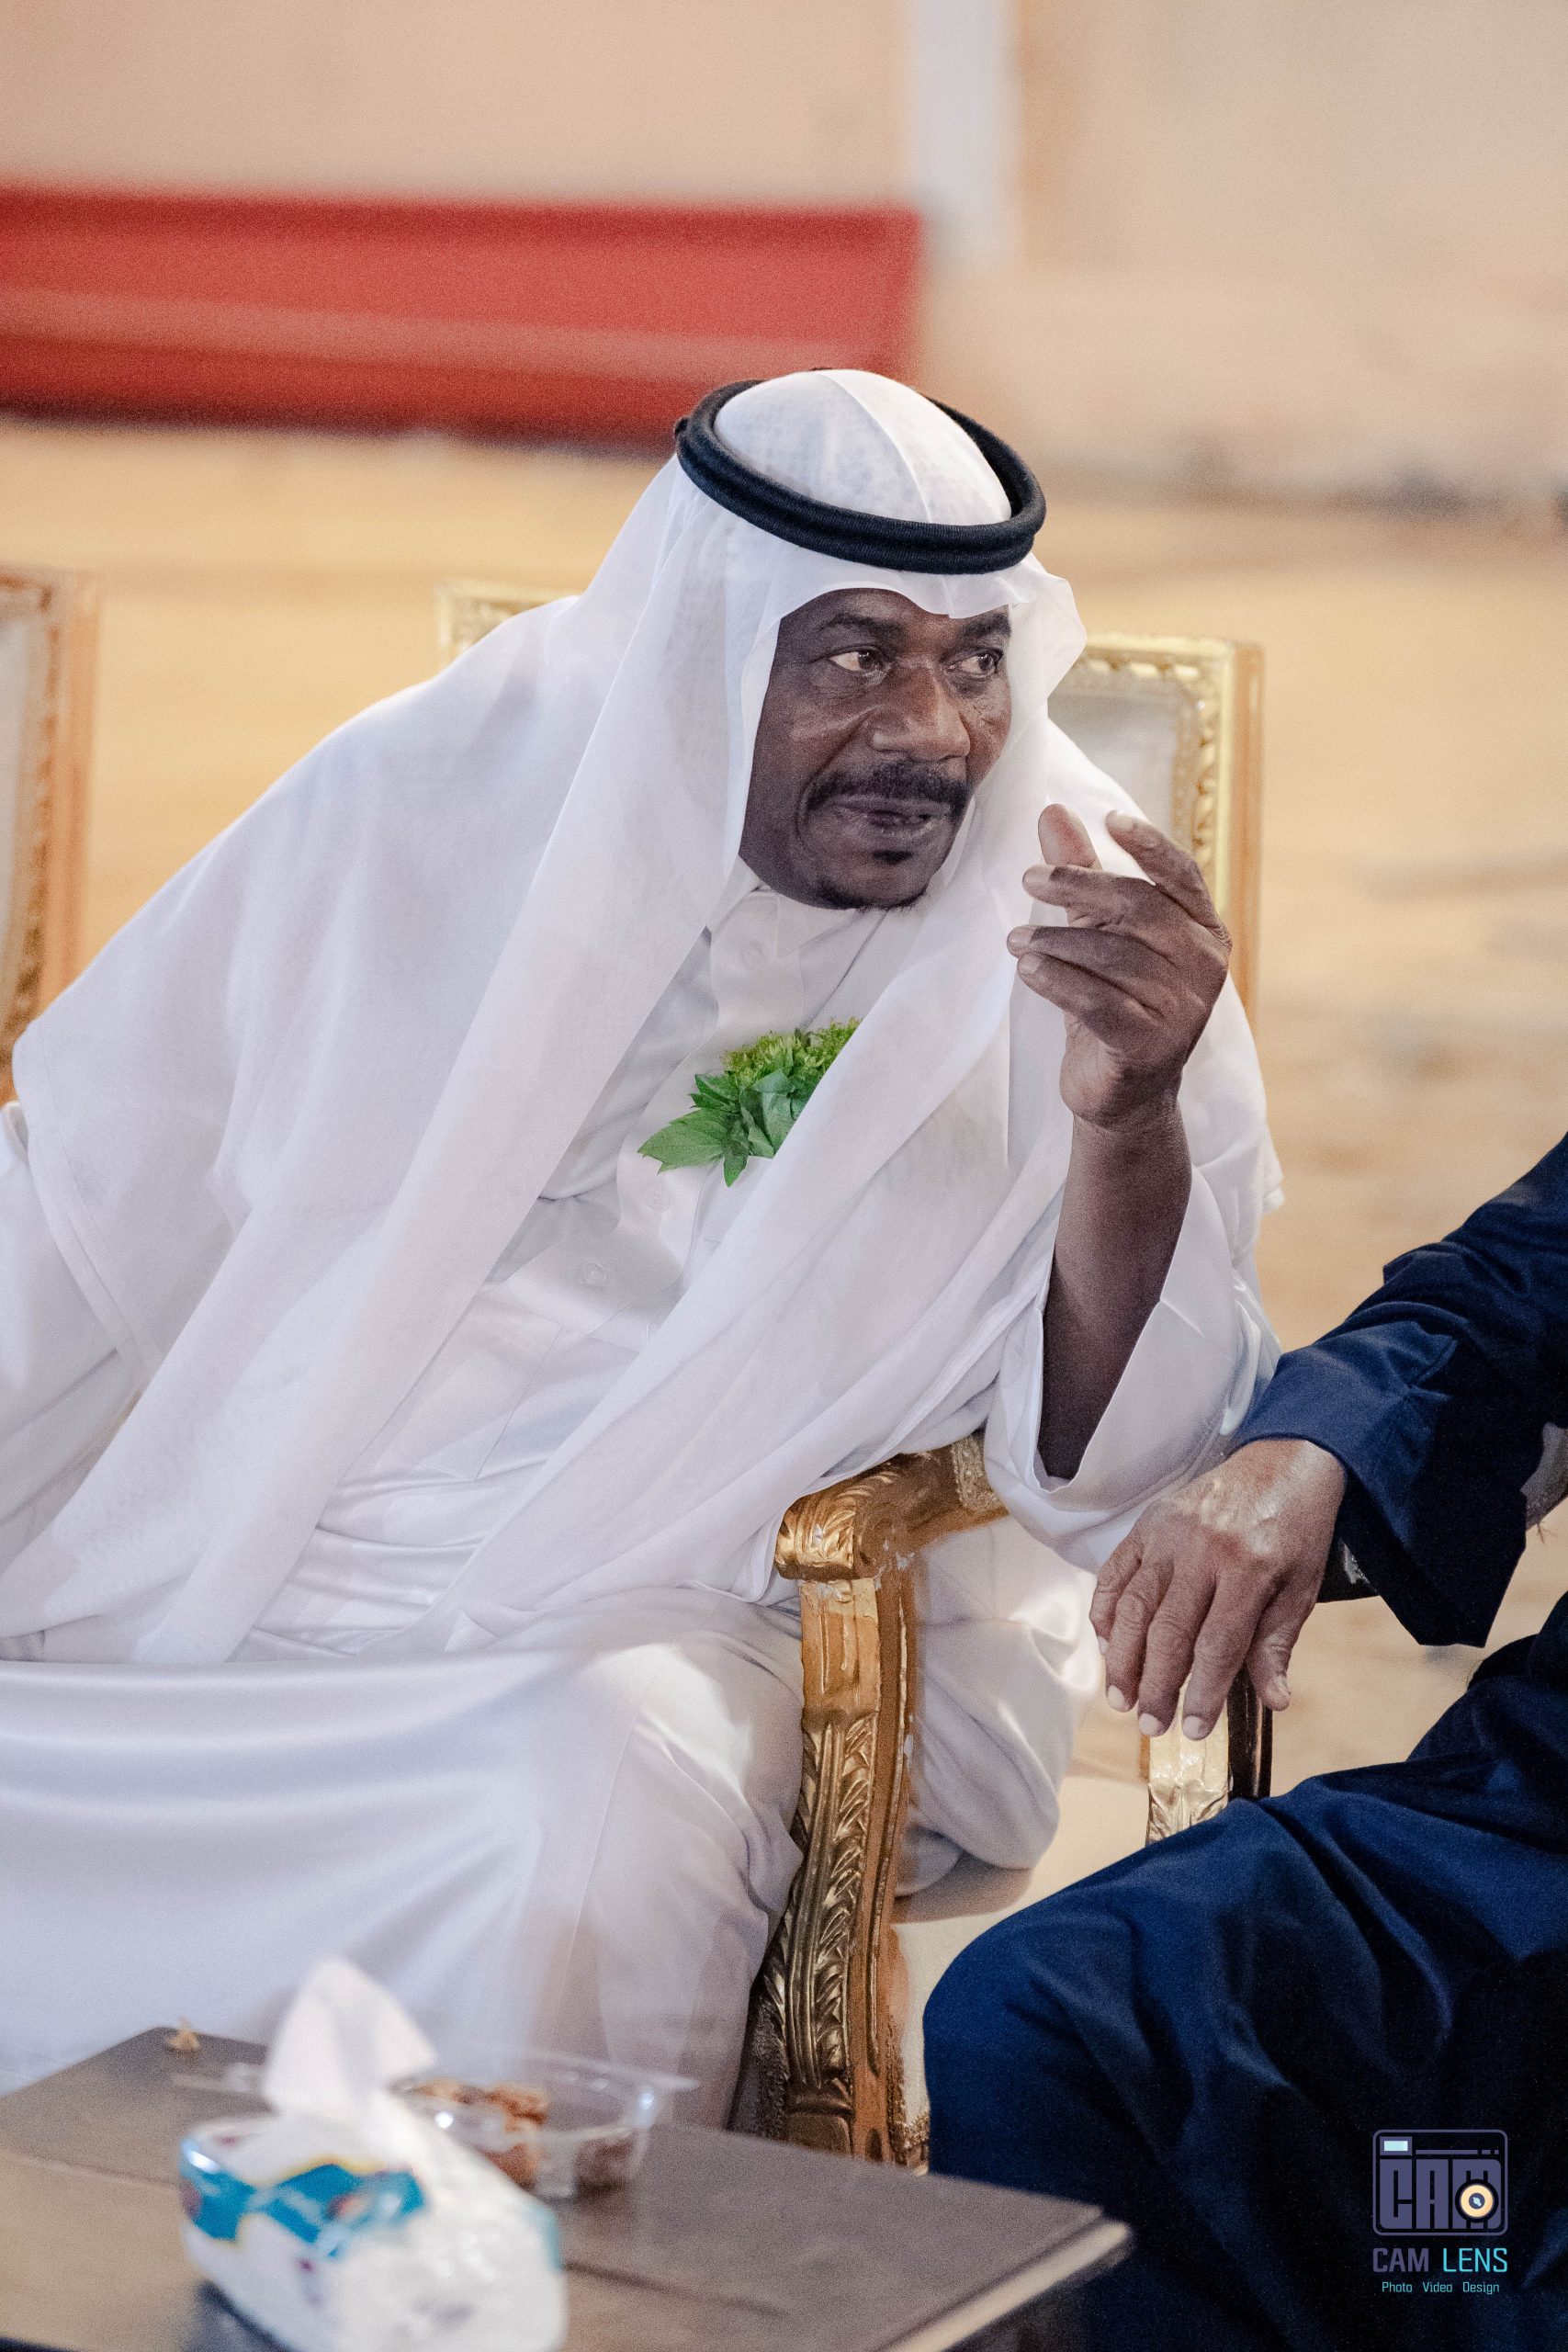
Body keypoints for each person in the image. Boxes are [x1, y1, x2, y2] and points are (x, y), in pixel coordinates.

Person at [0, 370, 1277, 2111]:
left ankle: (536, 2253)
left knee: (580, 1792)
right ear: (704, 655)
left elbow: (1117, 1466)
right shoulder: (414, 806)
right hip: (264, 1561)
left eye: (974, 661)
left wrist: (1128, 1115)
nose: (932, 731)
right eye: (854, 656)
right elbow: (82, 1198)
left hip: (689, 1601)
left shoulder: (1072, 920)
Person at [927, 1137, 1568, 2344]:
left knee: (1484, 2248)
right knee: (1059, 2024)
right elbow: (1512, 1287)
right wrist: (1306, 1448)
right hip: (1537, 1823)